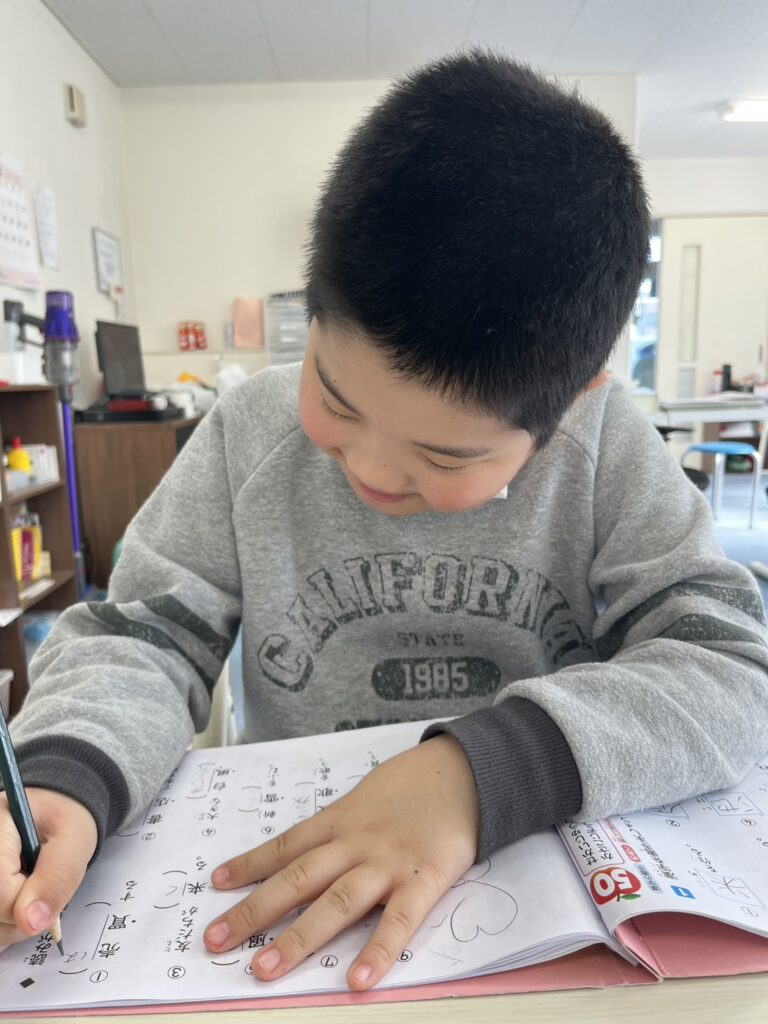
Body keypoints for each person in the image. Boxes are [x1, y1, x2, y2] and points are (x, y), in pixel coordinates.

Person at [2, 50, 767, 992]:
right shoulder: (249, 432)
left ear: (574, 398)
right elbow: (142, 635)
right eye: (335, 399)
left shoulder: (605, 449)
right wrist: (66, 771)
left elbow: (730, 666)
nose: (369, 470)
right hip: (290, 897)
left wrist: (486, 772)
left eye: (444, 457)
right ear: (312, 315)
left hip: (525, 896)